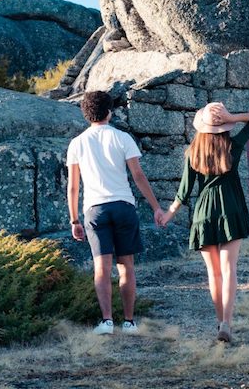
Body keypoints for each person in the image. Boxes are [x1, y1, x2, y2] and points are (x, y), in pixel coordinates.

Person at [161, 102, 249, 343]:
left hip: (204, 213)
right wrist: (233, 116)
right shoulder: (233, 146)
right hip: (230, 208)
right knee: (229, 270)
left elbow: (183, 192)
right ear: (223, 127)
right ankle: (227, 322)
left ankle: (219, 324)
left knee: (213, 274)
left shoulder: (193, 151)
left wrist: (168, 214)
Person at [67, 91, 164, 335]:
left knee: (101, 267)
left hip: (95, 209)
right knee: (127, 266)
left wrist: (74, 220)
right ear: (109, 112)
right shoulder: (123, 138)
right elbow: (138, 176)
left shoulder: (77, 143)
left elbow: (73, 187)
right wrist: (156, 207)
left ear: (86, 114)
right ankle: (129, 322)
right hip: (124, 206)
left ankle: (107, 321)